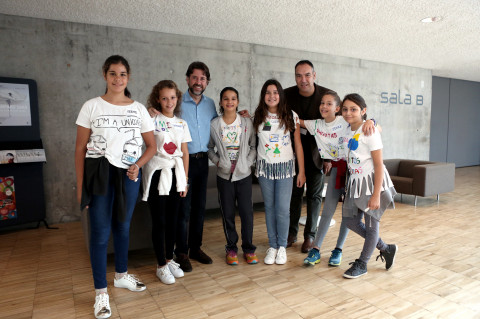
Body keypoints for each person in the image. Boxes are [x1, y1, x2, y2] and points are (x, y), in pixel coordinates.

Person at [75, 55, 156, 319]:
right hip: (99, 174)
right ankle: (100, 293)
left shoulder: (139, 109)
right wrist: (80, 188)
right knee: (100, 233)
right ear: (105, 75)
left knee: (123, 226)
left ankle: (121, 275)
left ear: (128, 77)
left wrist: (138, 164)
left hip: (128, 175)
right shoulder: (91, 106)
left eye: (122, 74)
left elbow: (151, 146)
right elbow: (79, 149)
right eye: (112, 73)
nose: (117, 78)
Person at [300, 90, 376, 267]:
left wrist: (373, 121)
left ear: (338, 108)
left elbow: (372, 127)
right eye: (322, 103)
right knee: (327, 211)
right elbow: (296, 121)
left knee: (347, 214)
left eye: (329, 104)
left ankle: (338, 249)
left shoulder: (345, 120)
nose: (324, 107)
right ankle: (316, 249)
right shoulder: (316, 124)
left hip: (353, 172)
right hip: (337, 169)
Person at [340, 93, 397, 279]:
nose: (348, 113)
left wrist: (375, 196)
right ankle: (386, 248)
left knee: (372, 228)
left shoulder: (369, 132)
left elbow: (379, 164)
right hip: (355, 183)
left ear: (363, 111)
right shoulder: (347, 130)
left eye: (354, 109)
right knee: (349, 220)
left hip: (372, 185)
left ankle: (362, 263)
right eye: (345, 109)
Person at [141, 80, 190, 284]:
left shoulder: (181, 123)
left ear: (177, 98)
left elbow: (185, 153)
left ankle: (169, 259)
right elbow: (141, 137)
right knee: (160, 221)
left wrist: (185, 181)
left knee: (173, 221)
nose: (169, 101)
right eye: (164, 98)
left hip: (176, 175)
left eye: (172, 97)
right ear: (157, 100)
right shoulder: (151, 119)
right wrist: (147, 113)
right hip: (158, 175)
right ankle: (160, 265)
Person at [253, 79, 306, 265]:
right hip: (265, 169)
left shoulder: (291, 116)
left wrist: (301, 172)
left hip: (285, 170)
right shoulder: (258, 115)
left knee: (283, 209)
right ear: (263, 96)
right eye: (268, 92)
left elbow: (298, 145)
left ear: (280, 95)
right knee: (269, 209)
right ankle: (273, 246)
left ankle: (282, 246)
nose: (272, 96)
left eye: (275, 92)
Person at [207, 87, 258, 265]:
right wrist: (218, 162)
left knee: (246, 213)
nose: (230, 102)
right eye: (226, 99)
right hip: (224, 176)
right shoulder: (214, 124)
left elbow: (253, 146)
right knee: (227, 213)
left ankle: (249, 249)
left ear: (237, 102)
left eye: (233, 98)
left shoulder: (246, 123)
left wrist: (248, 162)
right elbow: (209, 148)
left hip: (243, 175)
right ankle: (231, 248)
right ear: (221, 102)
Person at [175, 62, 217, 271]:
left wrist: (240, 116)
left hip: (203, 161)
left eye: (202, 78)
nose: (198, 82)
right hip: (184, 161)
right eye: (194, 77)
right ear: (187, 79)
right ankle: (181, 252)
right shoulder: (177, 102)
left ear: (207, 82)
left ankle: (195, 248)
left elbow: (220, 126)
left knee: (200, 208)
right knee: (183, 209)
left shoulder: (210, 104)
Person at [285, 60, 329, 253]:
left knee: (314, 197)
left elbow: (333, 126)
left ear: (314, 75)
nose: (303, 80)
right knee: (294, 195)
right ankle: (291, 233)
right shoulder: (286, 94)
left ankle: (310, 236)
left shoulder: (326, 96)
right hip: (291, 153)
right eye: (299, 75)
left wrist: (329, 157)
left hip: (318, 154)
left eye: (307, 75)